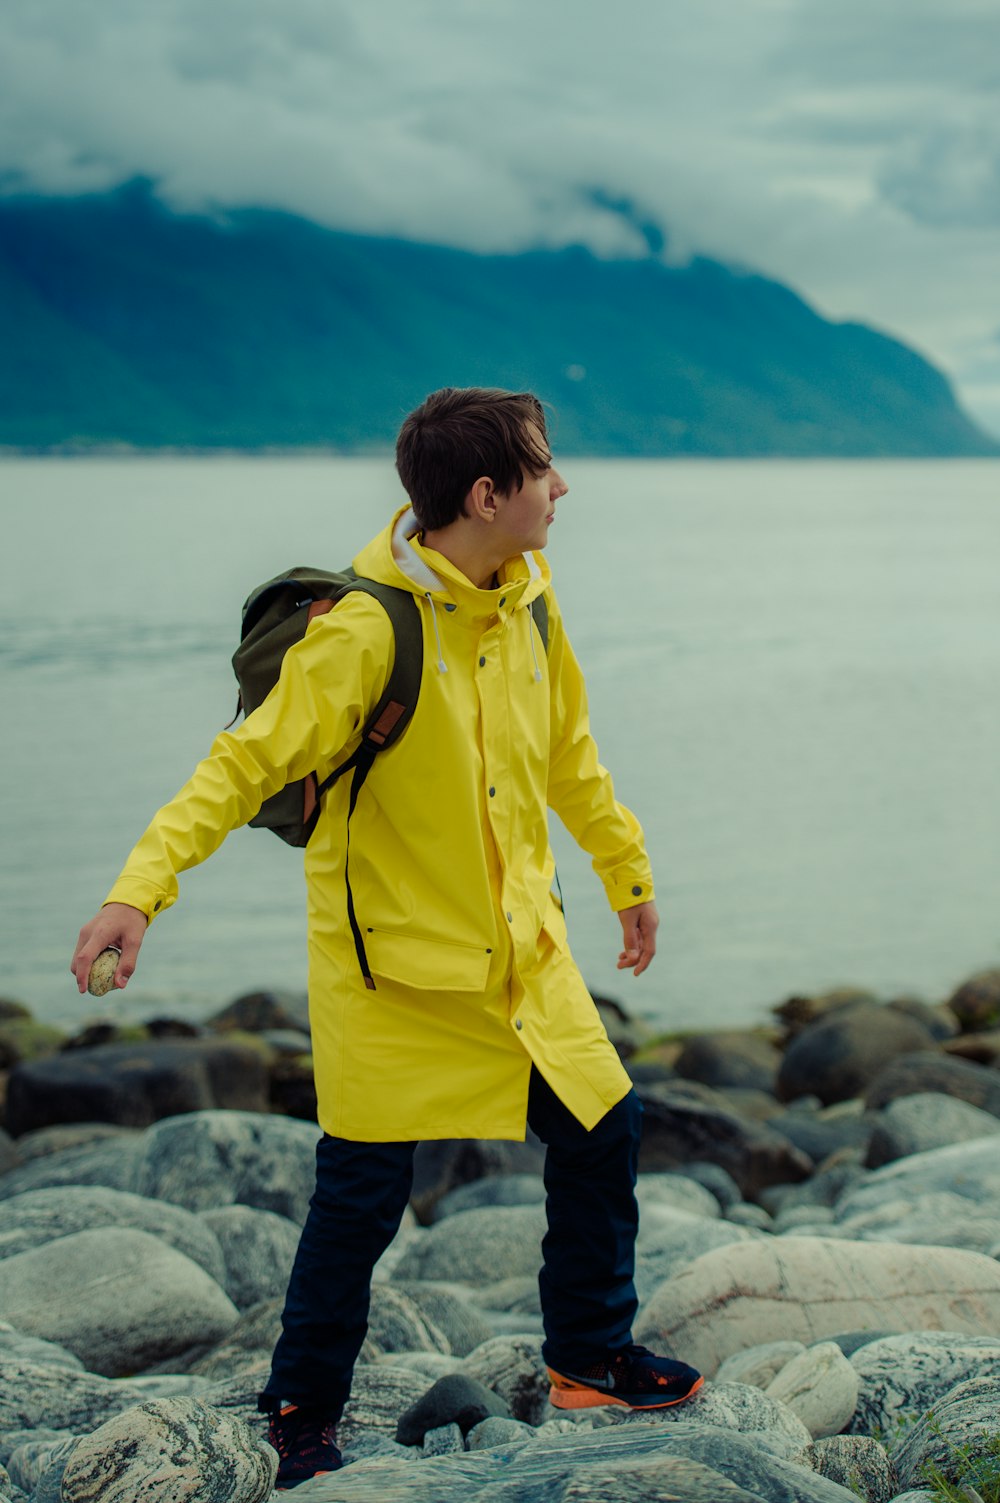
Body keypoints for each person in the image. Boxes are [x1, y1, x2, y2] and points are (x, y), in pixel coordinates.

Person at [71, 387, 703, 1490]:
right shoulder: (369, 631)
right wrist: (137, 894)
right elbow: (240, 767)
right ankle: (298, 1409)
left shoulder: (528, 600)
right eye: (544, 471)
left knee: (604, 1131)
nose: (563, 488)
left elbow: (569, 755)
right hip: (393, 981)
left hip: (519, 961)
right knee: (359, 1201)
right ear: (485, 494)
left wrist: (624, 871)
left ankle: (589, 1358)